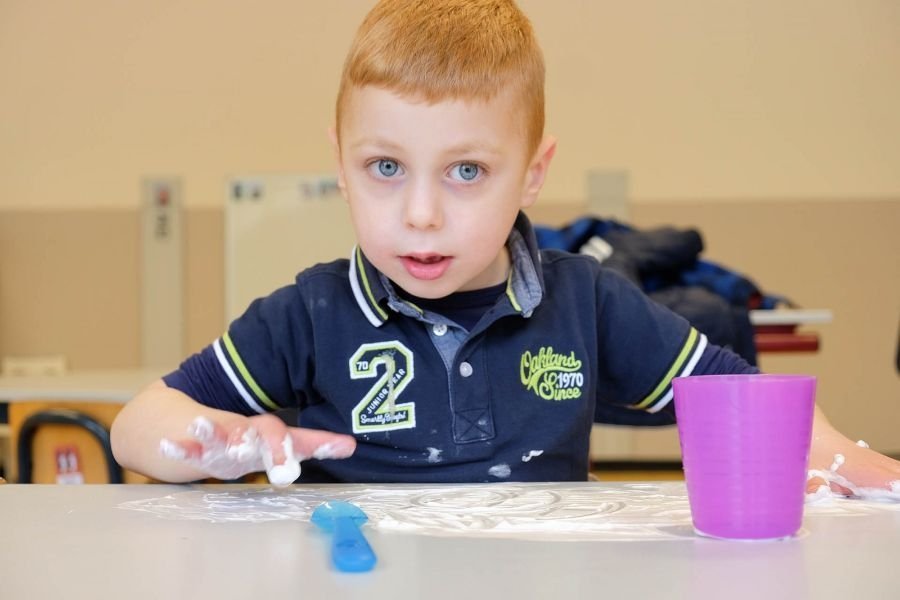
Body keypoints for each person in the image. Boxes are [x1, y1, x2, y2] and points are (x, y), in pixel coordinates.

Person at [111, 0, 899, 492]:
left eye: (466, 171)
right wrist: (217, 447)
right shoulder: (308, 312)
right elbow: (138, 424)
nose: (420, 213)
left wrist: (848, 462)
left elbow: (749, 400)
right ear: (341, 168)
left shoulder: (586, 302)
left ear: (531, 174)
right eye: (385, 167)